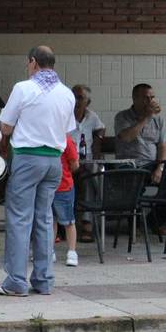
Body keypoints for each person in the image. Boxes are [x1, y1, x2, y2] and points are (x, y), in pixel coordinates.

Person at [0, 45, 75, 297]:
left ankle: (16, 281)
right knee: (45, 219)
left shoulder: (23, 88)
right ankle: (44, 279)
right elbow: (67, 129)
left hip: (27, 158)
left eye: (28, 64)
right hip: (54, 162)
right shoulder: (67, 94)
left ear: (33, 62)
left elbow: (5, 127)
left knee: (19, 218)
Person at [114, 83, 166, 234]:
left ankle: (156, 218)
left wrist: (160, 167)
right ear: (135, 99)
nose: (150, 101)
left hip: (151, 164)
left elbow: (163, 146)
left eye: (152, 97)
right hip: (128, 164)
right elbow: (126, 137)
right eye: (145, 98)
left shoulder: (159, 120)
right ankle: (133, 222)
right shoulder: (122, 116)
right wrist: (146, 117)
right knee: (132, 176)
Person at [70, 84, 105, 243]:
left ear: (88, 102)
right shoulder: (64, 115)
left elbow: (101, 130)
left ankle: (87, 223)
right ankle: (61, 223)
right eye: (74, 96)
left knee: (93, 173)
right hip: (67, 160)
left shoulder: (92, 117)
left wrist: (98, 141)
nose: (76, 101)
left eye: (80, 98)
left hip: (87, 160)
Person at [53, 135, 79, 267]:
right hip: (62, 184)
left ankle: (72, 250)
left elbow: (75, 163)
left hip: (63, 187)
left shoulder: (66, 139)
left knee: (67, 221)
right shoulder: (66, 139)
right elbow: (74, 164)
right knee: (56, 221)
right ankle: (52, 250)